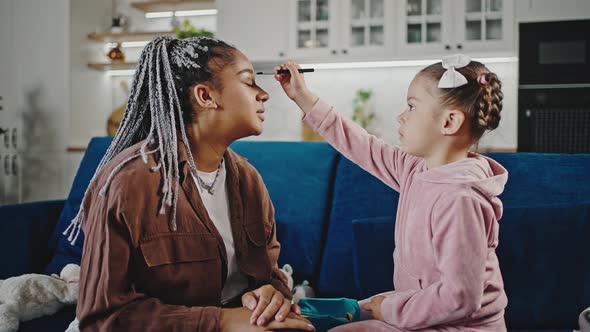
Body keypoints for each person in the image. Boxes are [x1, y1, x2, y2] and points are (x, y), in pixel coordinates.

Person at [69, 36, 314, 332]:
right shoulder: (128, 183)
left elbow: (271, 278)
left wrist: (271, 297)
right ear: (206, 96)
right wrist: (221, 321)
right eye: (249, 82)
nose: (264, 95)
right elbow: (100, 319)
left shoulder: (249, 181)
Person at [275, 54, 508, 331]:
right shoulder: (415, 170)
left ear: (449, 122)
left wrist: (386, 309)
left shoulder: (460, 199)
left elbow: (460, 297)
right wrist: (302, 96)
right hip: (423, 317)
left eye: (411, 106)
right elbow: (360, 144)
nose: (401, 115)